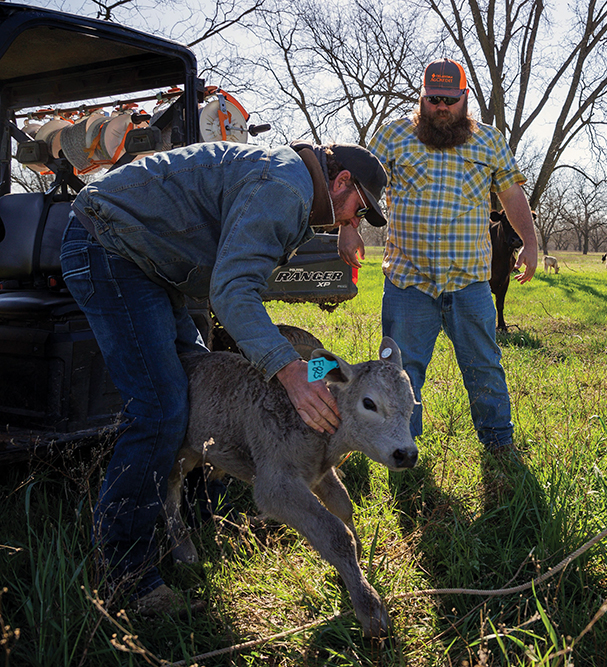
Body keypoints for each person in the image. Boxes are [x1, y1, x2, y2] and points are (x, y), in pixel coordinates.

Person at [59, 140, 387, 615]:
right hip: (110, 247)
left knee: (204, 384)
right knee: (160, 409)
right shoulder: (285, 187)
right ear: (340, 182)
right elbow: (232, 290)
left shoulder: (294, 181)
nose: (356, 220)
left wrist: (342, 229)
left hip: (148, 261)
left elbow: (243, 263)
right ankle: (125, 579)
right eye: (360, 209)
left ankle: (193, 516)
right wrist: (289, 370)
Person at [338, 58, 538, 459]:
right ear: (422, 97)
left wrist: (531, 243)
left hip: (470, 282)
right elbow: (360, 182)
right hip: (409, 282)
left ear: (465, 98)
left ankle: (499, 444)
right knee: (400, 374)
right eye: (433, 100)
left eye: (449, 99)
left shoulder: (489, 141)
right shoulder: (393, 136)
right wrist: (348, 226)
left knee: (484, 366)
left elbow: (511, 194)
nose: (441, 107)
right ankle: (400, 447)